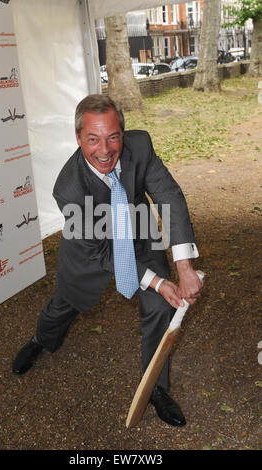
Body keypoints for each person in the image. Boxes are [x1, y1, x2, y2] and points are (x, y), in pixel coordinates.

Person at [13, 94, 203, 427]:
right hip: (90, 250)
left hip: (140, 236)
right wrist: (158, 282)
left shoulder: (140, 146)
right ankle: (40, 340)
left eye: (113, 136)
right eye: (93, 139)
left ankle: (155, 389)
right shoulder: (68, 189)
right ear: (78, 138)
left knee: (161, 309)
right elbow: (103, 252)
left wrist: (184, 267)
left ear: (123, 134)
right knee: (64, 303)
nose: (105, 149)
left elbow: (168, 195)